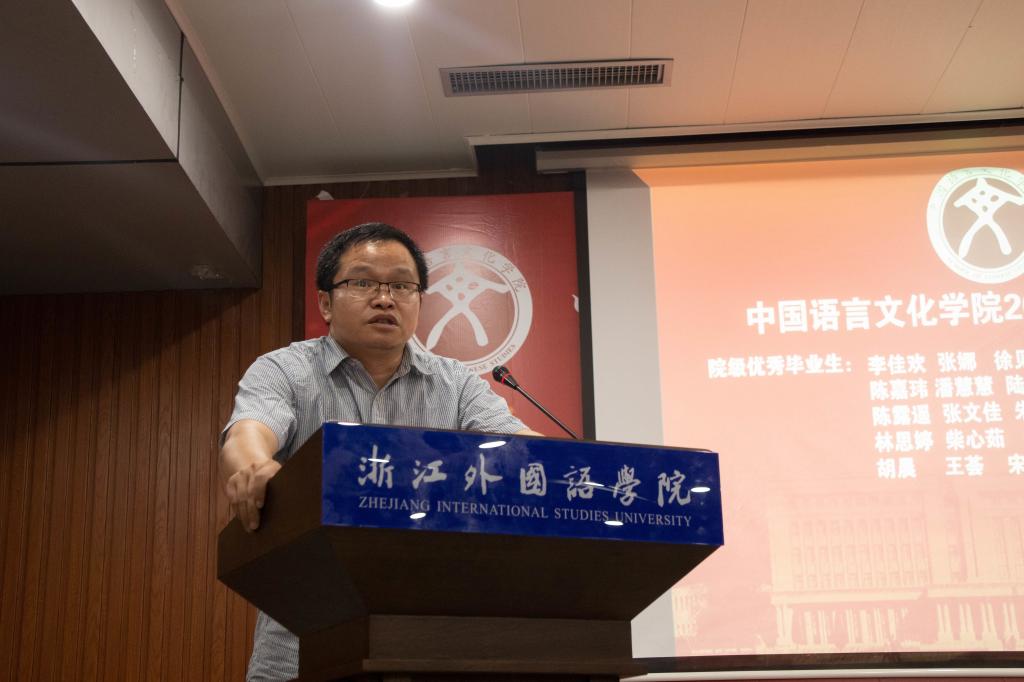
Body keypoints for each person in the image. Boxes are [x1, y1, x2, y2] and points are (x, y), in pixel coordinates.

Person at [219, 222, 539, 680]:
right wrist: (254, 465)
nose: (385, 298)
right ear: (325, 302)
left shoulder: (456, 384)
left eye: (402, 286)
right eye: (363, 282)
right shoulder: (285, 370)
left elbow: (522, 449)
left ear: (419, 302)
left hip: (426, 647)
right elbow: (249, 430)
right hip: (300, 647)